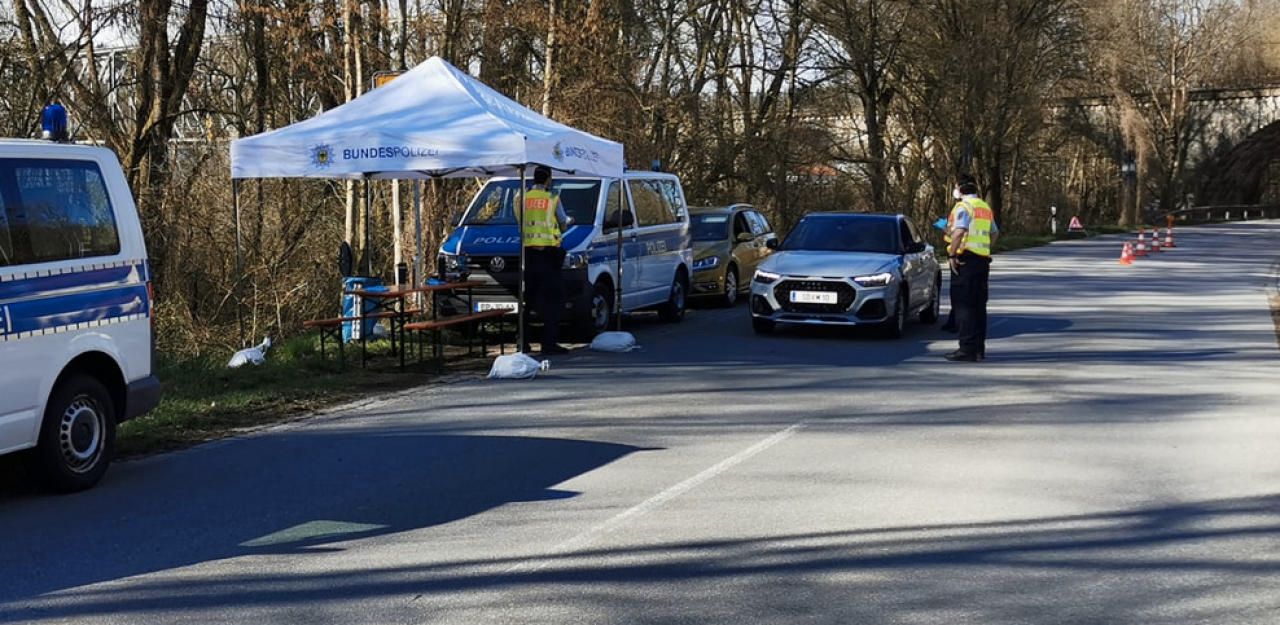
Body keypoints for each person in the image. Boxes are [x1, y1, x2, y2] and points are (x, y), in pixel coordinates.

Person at [944, 174, 998, 362]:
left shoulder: (963, 207)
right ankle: (978, 350)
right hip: (982, 260)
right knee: (978, 306)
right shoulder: (984, 207)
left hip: (965, 260)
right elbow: (994, 233)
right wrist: (985, 249)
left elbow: (959, 232)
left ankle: (966, 348)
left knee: (963, 306)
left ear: (960, 188)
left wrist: (952, 254)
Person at [520, 165, 572, 355]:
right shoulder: (552, 198)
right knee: (553, 301)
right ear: (548, 179)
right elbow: (563, 223)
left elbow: (521, 223)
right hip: (549, 254)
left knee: (528, 301)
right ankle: (548, 344)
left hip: (528, 254)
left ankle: (523, 343)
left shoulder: (522, 198)